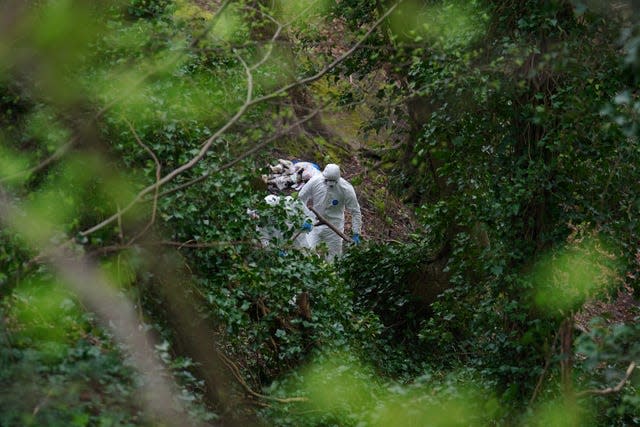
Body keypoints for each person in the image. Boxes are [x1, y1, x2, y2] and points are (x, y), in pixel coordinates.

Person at [298, 163, 362, 261]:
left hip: (334, 228)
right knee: (307, 253)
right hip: (313, 224)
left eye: (333, 181)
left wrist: (356, 233)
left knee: (334, 259)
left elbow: (355, 211)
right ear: (324, 177)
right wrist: (305, 217)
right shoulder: (314, 181)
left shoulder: (346, 189)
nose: (330, 184)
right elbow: (300, 199)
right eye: (327, 181)